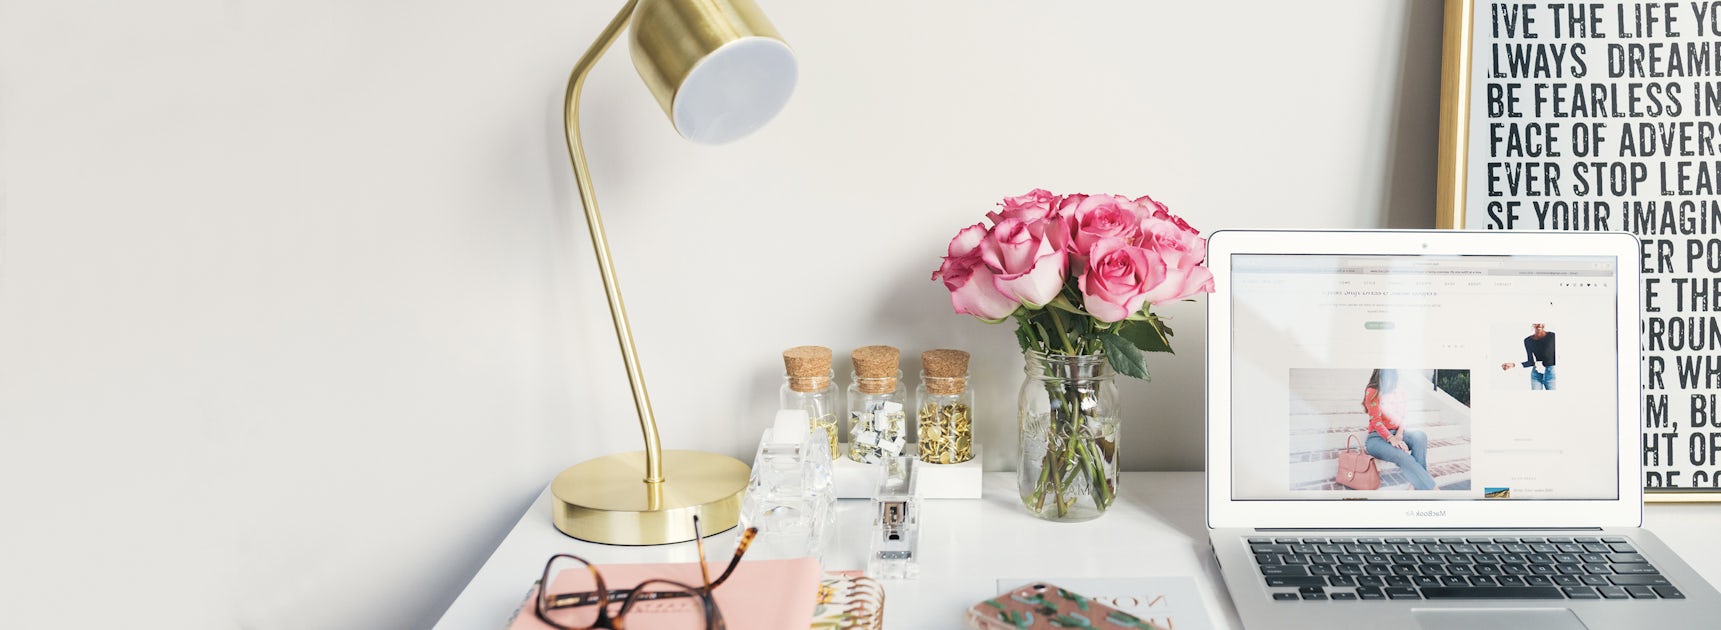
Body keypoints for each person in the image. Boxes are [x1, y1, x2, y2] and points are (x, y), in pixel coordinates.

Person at [1360, 369, 1435, 490]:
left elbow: (1403, 417)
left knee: (1420, 436)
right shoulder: (1372, 391)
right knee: (1404, 456)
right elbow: (1376, 421)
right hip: (1376, 438)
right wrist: (1391, 439)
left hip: (1397, 432)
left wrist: (1399, 436)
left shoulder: (1399, 390)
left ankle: (1417, 483)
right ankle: (1431, 489)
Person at [1500, 323, 1555, 390]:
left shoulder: (1552, 336)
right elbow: (1530, 362)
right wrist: (1513, 365)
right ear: (1533, 324)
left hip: (1551, 373)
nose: (1539, 325)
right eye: (1536, 323)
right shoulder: (1528, 340)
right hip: (1536, 373)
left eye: (1541, 322)